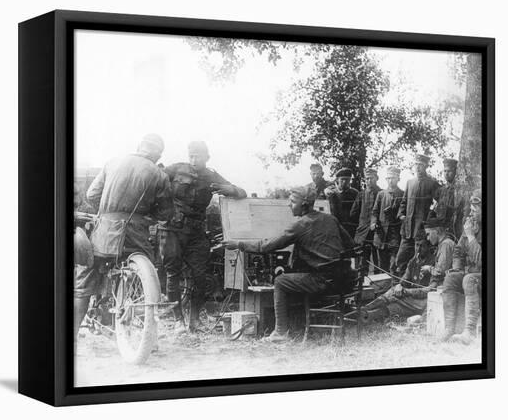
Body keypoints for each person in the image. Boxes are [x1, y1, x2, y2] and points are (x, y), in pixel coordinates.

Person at [73, 134, 174, 345]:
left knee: (83, 285)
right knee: (146, 278)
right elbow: (165, 213)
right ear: (158, 154)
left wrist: (108, 211)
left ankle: (70, 336)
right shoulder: (159, 174)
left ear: (139, 146)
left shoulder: (113, 162)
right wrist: (146, 215)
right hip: (135, 237)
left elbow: (92, 195)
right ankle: (147, 339)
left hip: (104, 233)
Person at [222, 187, 356, 342]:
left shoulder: (300, 225)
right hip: (344, 281)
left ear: (304, 205)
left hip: (325, 282)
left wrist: (238, 243)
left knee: (280, 281)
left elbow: (266, 246)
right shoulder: (331, 219)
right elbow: (351, 244)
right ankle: (301, 322)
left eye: (292, 202)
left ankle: (280, 332)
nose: (289, 205)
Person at [159, 141, 247, 333]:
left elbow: (240, 192)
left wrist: (229, 190)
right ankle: (178, 321)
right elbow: (155, 182)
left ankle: (194, 319)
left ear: (207, 157)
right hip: (172, 229)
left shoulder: (211, 175)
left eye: (198, 156)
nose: (193, 159)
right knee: (172, 273)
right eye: (191, 155)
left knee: (200, 276)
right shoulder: (176, 169)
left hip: (197, 232)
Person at [360, 233, 436, 322]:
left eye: (422, 246)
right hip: (413, 298)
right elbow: (405, 278)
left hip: (424, 301)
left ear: (428, 247)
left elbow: (429, 291)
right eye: (416, 245)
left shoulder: (433, 263)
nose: (418, 249)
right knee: (395, 302)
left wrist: (406, 291)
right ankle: (367, 314)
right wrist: (400, 285)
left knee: (395, 296)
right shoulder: (414, 261)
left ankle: (364, 310)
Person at [441, 189, 482, 344]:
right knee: (450, 278)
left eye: (475, 210)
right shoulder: (471, 225)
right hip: (473, 274)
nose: (471, 213)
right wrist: (457, 268)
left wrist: (471, 236)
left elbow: (480, 261)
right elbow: (458, 251)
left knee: (469, 280)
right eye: (470, 209)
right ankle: (449, 328)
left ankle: (469, 331)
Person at [395, 154, 439, 275]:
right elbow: (404, 202)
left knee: (418, 260)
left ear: (426, 166)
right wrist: (401, 215)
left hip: (422, 231)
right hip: (407, 229)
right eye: (416, 164)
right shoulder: (410, 183)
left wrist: (429, 220)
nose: (418, 167)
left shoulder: (432, 183)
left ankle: (414, 285)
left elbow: (437, 204)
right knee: (400, 259)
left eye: (421, 165)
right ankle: (399, 285)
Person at [371, 166, 404, 273]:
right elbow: (375, 211)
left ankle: (393, 286)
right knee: (382, 265)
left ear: (398, 179)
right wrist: (374, 222)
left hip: (395, 235)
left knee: (394, 265)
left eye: (393, 178)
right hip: (381, 235)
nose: (390, 181)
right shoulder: (381, 194)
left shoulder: (403, 194)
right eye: (388, 178)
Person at [351, 168, 381, 275]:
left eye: (371, 178)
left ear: (376, 179)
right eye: (367, 179)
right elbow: (353, 213)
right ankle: (361, 283)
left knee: (378, 260)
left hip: (376, 232)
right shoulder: (361, 194)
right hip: (362, 232)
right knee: (362, 260)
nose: (369, 181)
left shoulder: (381, 193)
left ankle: (379, 284)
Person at [430, 158, 467, 241]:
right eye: (445, 171)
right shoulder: (440, 190)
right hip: (441, 228)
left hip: (454, 229)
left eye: (449, 171)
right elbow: (434, 208)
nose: (446, 174)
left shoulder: (460, 191)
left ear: (455, 172)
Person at [328, 167, 359, 238]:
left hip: (351, 227)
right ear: (337, 180)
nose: (344, 182)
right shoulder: (332, 193)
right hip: (336, 226)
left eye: (347, 180)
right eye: (342, 179)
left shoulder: (355, 193)